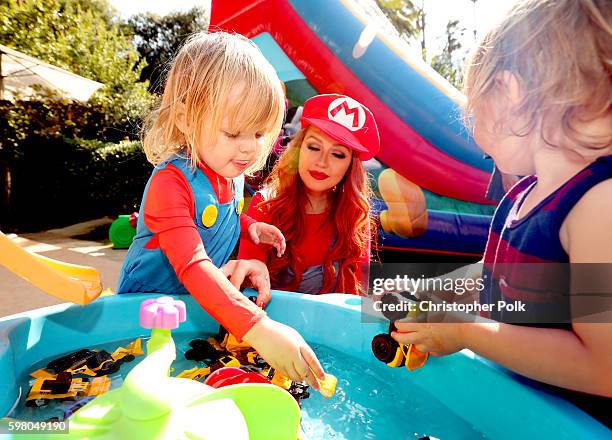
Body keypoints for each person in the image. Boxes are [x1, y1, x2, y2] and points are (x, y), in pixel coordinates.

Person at [391, 0, 612, 425]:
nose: (473, 130)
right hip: (515, 410)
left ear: (509, 95)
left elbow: (605, 368)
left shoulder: (597, 204)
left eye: (473, 109)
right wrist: (429, 296)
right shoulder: (524, 194)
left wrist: (467, 331)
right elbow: (497, 273)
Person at [117, 31, 324, 389]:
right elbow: (193, 264)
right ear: (185, 118)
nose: (248, 149)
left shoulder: (230, 171)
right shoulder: (171, 182)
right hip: (145, 309)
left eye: (259, 134)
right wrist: (259, 329)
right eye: (233, 132)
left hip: (196, 306)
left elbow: (219, 214)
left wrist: (249, 228)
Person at [238, 94, 379, 295]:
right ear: (298, 149)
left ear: (350, 167)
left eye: (338, 154)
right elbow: (247, 292)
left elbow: (358, 299)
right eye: (314, 147)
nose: (322, 162)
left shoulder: (356, 214)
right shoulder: (265, 204)